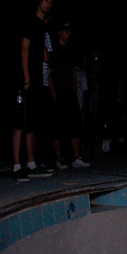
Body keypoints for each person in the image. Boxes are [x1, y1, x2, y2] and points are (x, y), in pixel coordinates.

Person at [11, 0, 54, 180]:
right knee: (19, 122)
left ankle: (31, 163)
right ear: (39, 1)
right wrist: (26, 78)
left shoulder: (42, 27)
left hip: (37, 80)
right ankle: (16, 166)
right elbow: (24, 49)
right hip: (25, 80)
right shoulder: (30, 22)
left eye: (51, 0)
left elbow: (46, 56)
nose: (49, 3)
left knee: (31, 123)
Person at [49, 19, 91, 169]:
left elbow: (73, 71)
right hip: (58, 92)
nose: (68, 34)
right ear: (60, 33)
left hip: (70, 93)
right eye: (66, 32)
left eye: (70, 32)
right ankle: (58, 158)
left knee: (74, 126)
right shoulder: (54, 50)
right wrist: (53, 92)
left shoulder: (70, 50)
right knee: (57, 127)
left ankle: (76, 157)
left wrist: (74, 89)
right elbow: (49, 73)